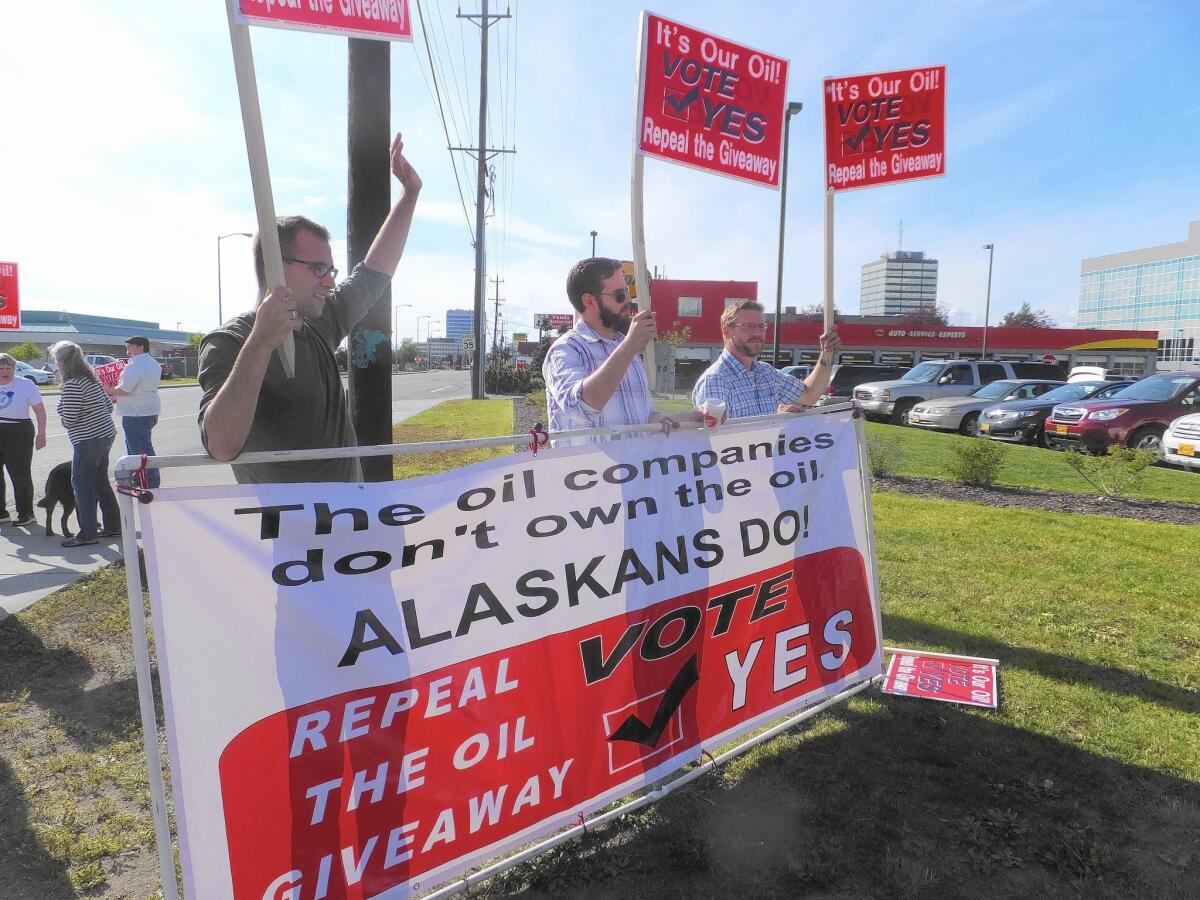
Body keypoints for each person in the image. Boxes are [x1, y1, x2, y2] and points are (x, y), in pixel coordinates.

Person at [198, 132, 421, 483]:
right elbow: (221, 446)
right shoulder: (229, 341)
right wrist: (260, 344)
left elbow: (374, 272)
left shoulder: (320, 322)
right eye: (318, 269)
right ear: (276, 266)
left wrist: (410, 195)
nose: (330, 282)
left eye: (330, 270)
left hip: (352, 523)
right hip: (286, 534)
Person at [543, 257, 702, 443]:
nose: (628, 300)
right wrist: (629, 347)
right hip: (590, 472)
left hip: (635, 470)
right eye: (619, 294)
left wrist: (694, 416)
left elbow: (647, 421)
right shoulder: (566, 350)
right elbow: (581, 407)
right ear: (590, 301)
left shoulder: (626, 350)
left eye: (627, 292)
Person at [691, 299, 842, 420]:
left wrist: (826, 355)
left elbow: (809, 395)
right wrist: (772, 424)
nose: (757, 333)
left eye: (761, 326)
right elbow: (712, 442)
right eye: (748, 326)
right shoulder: (715, 379)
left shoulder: (767, 373)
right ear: (727, 331)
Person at [49, 341, 120, 547]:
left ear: (62, 362)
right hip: (105, 435)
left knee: (81, 485)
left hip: (87, 440)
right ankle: (113, 526)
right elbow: (108, 406)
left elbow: (68, 420)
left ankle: (88, 533)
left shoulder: (72, 385)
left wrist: (61, 410)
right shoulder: (91, 380)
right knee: (100, 482)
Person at [106, 336, 161, 488]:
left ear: (141, 347)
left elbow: (124, 389)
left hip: (136, 411)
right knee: (136, 447)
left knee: (141, 449)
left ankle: (151, 482)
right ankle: (138, 478)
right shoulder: (153, 363)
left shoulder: (136, 365)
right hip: (148, 409)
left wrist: (107, 389)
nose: (128, 348)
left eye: (131, 345)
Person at [0, 352, 48, 528]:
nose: (5, 371)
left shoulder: (25, 384)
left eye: (9, 368)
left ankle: (26, 513)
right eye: (2, 368)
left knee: (20, 474)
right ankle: (1, 513)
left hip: (19, 430)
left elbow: (40, 412)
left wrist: (41, 434)